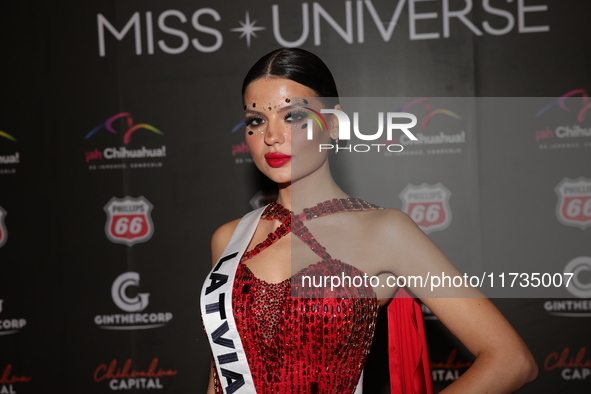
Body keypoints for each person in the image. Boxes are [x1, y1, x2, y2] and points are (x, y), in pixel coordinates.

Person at [201, 48, 538, 394]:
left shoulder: (384, 232)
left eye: (292, 116)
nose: (271, 135)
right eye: (256, 120)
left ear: (333, 124)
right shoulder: (229, 239)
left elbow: (511, 360)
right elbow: (222, 373)